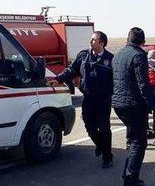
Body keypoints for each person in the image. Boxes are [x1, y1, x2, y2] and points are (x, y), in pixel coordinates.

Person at [47, 31, 114, 168]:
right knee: (89, 125)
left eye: (93, 40)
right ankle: (100, 145)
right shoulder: (84, 55)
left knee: (104, 128)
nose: (90, 42)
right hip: (88, 97)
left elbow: (116, 80)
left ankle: (107, 157)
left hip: (103, 99)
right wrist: (58, 79)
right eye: (90, 39)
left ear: (102, 43)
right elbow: (72, 70)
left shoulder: (110, 59)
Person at [112, 27, 155, 186]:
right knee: (138, 143)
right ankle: (131, 182)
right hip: (133, 105)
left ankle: (128, 176)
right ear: (142, 41)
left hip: (119, 104)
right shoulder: (139, 55)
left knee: (134, 140)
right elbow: (144, 85)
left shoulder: (118, 55)